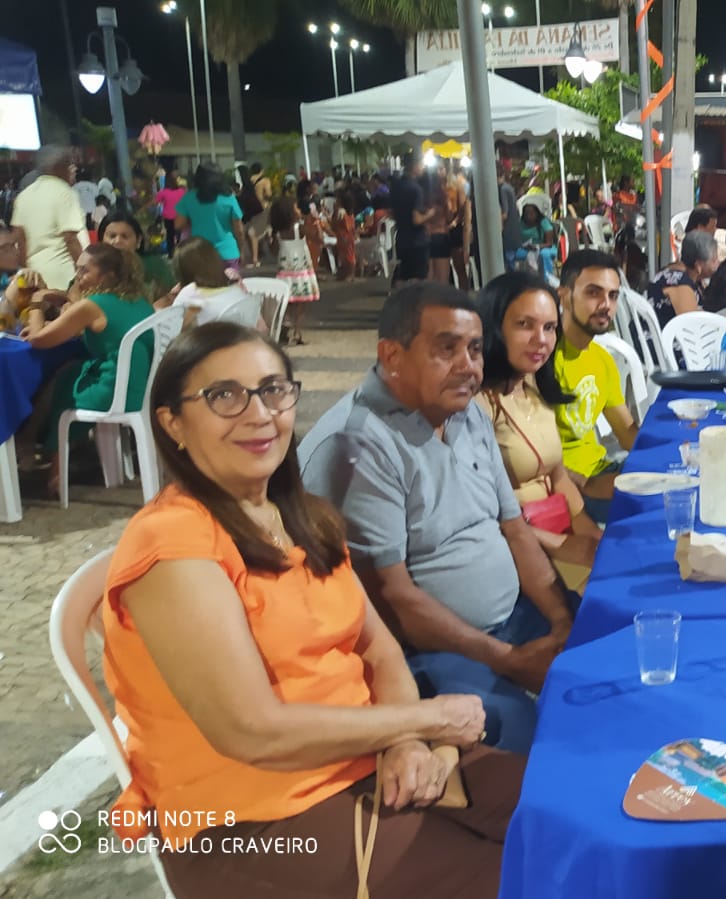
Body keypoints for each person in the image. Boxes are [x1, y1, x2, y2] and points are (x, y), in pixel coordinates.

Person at [106, 321, 522, 897]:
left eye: (273, 390)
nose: (259, 414)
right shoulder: (173, 544)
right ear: (172, 422)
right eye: (224, 396)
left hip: (368, 761)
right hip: (254, 817)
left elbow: (378, 650)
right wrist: (423, 722)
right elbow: (252, 732)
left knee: (578, 817)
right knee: (527, 878)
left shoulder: (301, 516)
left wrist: (403, 741)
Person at [299, 283, 572, 754]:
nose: (468, 366)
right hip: (431, 650)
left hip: (515, 620)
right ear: (392, 356)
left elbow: (513, 529)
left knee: (615, 653)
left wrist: (563, 621)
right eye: (447, 349)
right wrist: (510, 660)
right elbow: (391, 598)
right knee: (523, 736)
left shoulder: (467, 413)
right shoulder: (359, 445)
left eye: (475, 349)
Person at [476, 272, 602, 591]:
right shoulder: (478, 407)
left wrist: (591, 535)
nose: (541, 339)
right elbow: (481, 515)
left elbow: (559, 478)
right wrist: (565, 546)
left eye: (549, 327)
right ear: (494, 327)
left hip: (555, 532)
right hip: (518, 553)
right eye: (525, 325)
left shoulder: (531, 388)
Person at [16, 244, 154, 491]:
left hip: (113, 392)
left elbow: (38, 340)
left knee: (64, 382)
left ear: (108, 275)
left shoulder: (92, 305)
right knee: (69, 371)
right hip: (142, 388)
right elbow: (99, 328)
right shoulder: (138, 300)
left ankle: (52, 467)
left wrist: (37, 303)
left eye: (84, 271)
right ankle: (47, 455)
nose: (77, 277)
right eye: (77, 270)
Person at [550, 251, 638, 518]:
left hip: (603, 470)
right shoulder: (543, 359)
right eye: (593, 293)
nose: (605, 305)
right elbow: (530, 458)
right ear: (564, 296)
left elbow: (627, 434)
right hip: (567, 488)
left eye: (613, 296)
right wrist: (585, 484)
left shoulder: (601, 359)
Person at [11, 146, 84, 290]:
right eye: (69, 165)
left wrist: (27, 273)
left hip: (34, 277)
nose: (73, 169)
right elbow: (70, 239)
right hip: (64, 275)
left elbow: (20, 240)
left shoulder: (23, 196)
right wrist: (83, 269)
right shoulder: (65, 192)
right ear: (58, 168)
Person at [164, 238, 259, 330]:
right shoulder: (238, 290)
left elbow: (171, 330)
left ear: (182, 270)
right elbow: (262, 328)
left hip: (211, 340)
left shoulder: (188, 294)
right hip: (245, 338)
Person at [176, 163, 247, 274]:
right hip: (227, 253)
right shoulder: (228, 198)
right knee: (231, 284)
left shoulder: (188, 198)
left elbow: (178, 224)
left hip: (200, 253)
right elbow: (239, 231)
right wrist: (241, 250)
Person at [268, 198, 321, 344]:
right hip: (302, 272)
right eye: (296, 208)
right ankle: (297, 331)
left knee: (287, 302)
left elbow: (274, 252)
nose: (299, 210)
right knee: (301, 303)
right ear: (290, 213)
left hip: (285, 273)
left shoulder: (278, 233)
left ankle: (285, 325)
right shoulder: (300, 229)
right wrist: (316, 223)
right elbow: (319, 239)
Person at [647, 230, 716, 329]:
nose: (718, 263)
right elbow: (691, 328)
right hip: (659, 336)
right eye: (714, 260)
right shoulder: (680, 284)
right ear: (698, 266)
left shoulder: (677, 271)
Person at [99, 210, 175, 298]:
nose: (118, 241)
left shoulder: (155, 266)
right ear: (101, 241)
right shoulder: (95, 268)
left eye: (125, 236)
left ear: (138, 241)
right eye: (112, 236)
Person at [389, 153, 435, 283]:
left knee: (404, 275)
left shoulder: (396, 187)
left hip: (401, 238)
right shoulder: (416, 189)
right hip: (417, 241)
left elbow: (391, 213)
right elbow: (416, 219)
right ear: (414, 166)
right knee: (418, 278)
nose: (423, 167)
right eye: (421, 164)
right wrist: (430, 214)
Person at [243, 163, 274, 267]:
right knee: (255, 232)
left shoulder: (249, 180)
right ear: (261, 170)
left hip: (251, 208)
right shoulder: (265, 181)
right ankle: (255, 258)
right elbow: (268, 194)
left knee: (252, 230)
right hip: (263, 208)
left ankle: (256, 254)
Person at [151, 174, 187, 258]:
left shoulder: (163, 192)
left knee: (170, 235)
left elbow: (155, 202)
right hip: (179, 216)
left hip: (168, 217)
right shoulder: (182, 191)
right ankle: (180, 252)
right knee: (179, 235)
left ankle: (171, 254)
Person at [331, 189, 359, 281]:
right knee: (345, 255)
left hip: (345, 236)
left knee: (348, 255)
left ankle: (350, 274)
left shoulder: (341, 212)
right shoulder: (348, 212)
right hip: (344, 236)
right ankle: (347, 273)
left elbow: (335, 223)